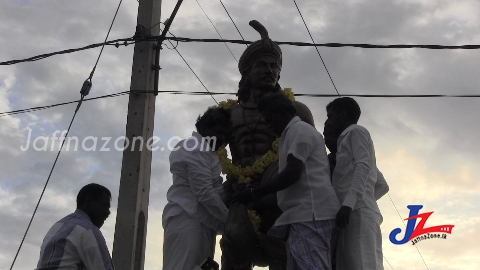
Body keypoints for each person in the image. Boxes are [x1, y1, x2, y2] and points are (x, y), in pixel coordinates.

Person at [221, 20, 314, 270]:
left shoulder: (297, 111)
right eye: (261, 65)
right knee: (234, 246)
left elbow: (313, 160)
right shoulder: (228, 115)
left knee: (283, 254)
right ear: (247, 74)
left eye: (274, 66)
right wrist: (228, 186)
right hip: (241, 191)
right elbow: (210, 155)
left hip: (280, 194)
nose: (269, 70)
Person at [234, 93, 340, 269]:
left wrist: (254, 193)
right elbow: (290, 188)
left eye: (270, 119)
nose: (268, 125)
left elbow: (292, 174)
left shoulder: (300, 130)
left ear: (286, 112)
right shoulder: (289, 134)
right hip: (303, 214)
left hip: (313, 213)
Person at [162, 106, 231, 270]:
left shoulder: (207, 152)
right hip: (187, 219)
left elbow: (213, 190)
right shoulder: (193, 147)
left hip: (202, 222)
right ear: (205, 128)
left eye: (225, 135)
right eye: (219, 132)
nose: (222, 138)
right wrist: (230, 220)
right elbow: (204, 192)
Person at [324, 97, 384, 270]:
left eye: (330, 116)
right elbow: (381, 185)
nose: (328, 121)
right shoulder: (346, 142)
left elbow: (363, 166)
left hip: (355, 213)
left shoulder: (356, 132)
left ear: (342, 115)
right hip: (354, 213)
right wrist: (363, 201)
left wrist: (350, 204)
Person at [35, 183, 114, 270]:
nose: (108, 213)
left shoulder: (57, 227)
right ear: (89, 202)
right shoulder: (88, 230)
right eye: (105, 206)